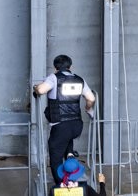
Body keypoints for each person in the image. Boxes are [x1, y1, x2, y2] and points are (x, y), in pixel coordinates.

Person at [33, 54, 96, 185]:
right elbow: (91, 98)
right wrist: (88, 109)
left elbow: (41, 89)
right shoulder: (79, 79)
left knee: (55, 157)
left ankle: (62, 185)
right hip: (77, 126)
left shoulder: (54, 78)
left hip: (61, 126)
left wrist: (36, 88)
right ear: (70, 66)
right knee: (67, 143)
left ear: (55, 67)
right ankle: (70, 157)